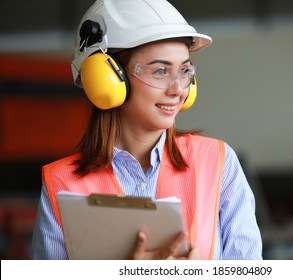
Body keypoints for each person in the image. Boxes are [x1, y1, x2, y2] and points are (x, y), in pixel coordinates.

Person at [31, 0, 262, 260]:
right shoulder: (61, 184)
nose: (178, 89)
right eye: (160, 70)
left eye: (185, 70)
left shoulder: (219, 163)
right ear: (107, 77)